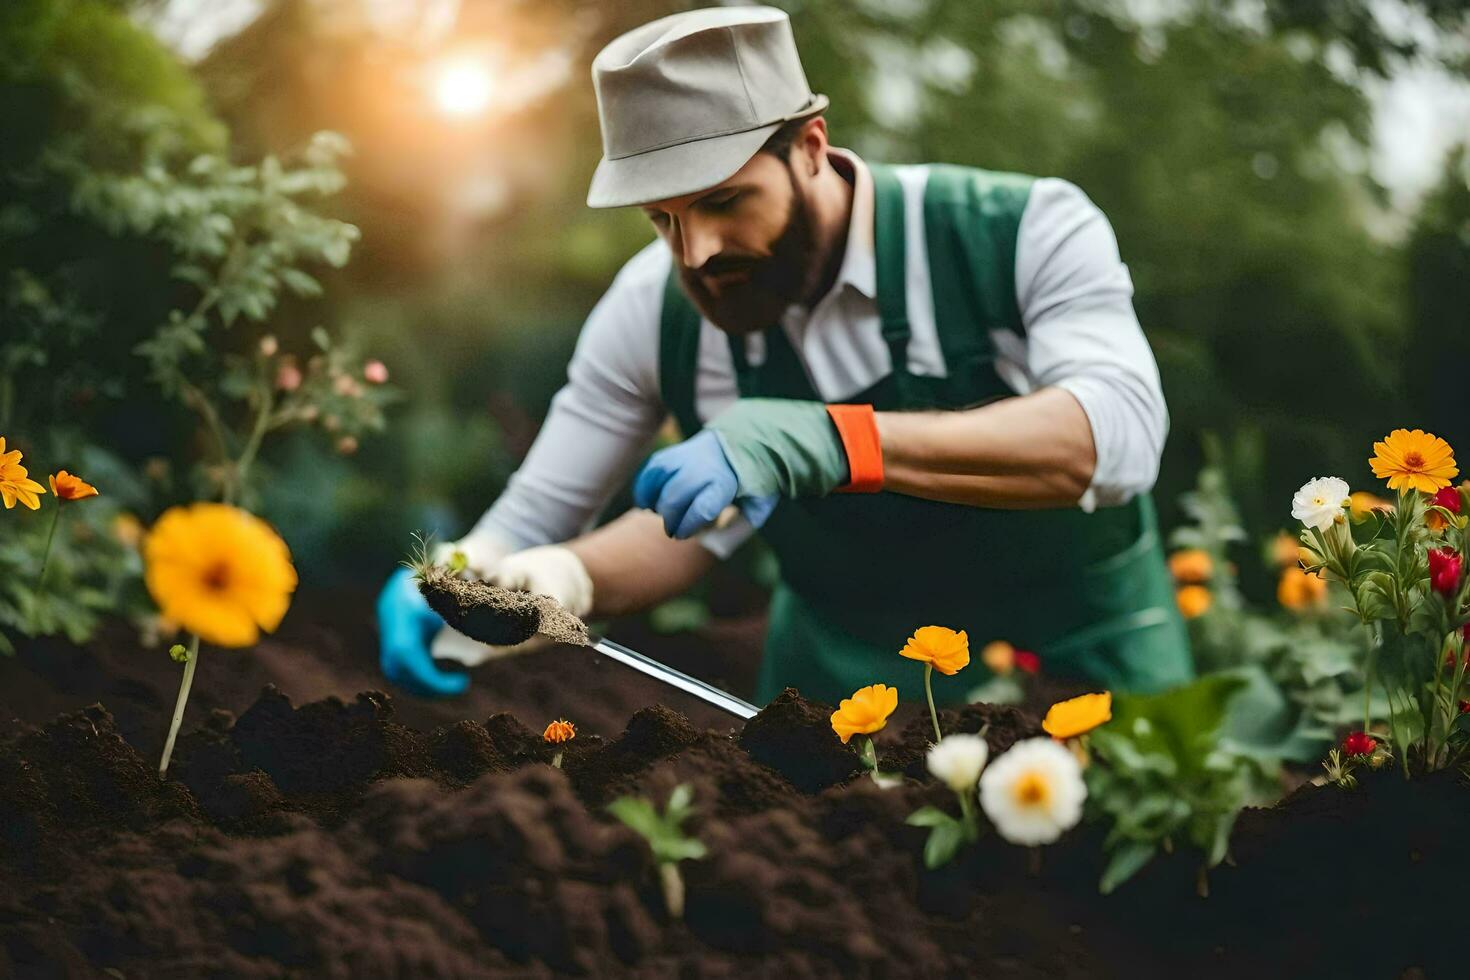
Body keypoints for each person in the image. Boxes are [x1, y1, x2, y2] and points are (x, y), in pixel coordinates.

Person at [378, 5, 1193, 704]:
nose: (694, 253)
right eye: (660, 219)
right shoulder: (652, 310)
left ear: (809, 145)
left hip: (1078, 678)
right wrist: (481, 576)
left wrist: (831, 440)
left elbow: (1119, 437)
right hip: (850, 700)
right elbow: (543, 516)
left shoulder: (1023, 231)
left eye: (724, 202)